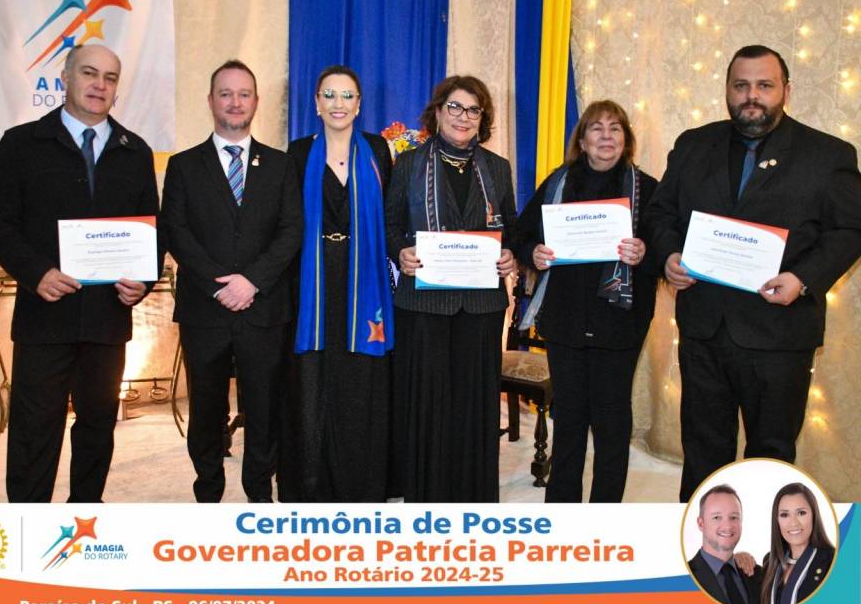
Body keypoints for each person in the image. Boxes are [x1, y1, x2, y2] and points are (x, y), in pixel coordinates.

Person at [643, 45, 861, 502]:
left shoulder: (829, 154)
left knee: (771, 455)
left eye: (764, 85)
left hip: (780, 332)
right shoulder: (692, 144)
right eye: (741, 86)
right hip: (704, 329)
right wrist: (668, 256)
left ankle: (765, 542)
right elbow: (660, 213)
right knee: (702, 450)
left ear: (786, 91)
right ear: (727, 89)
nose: (752, 96)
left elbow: (849, 230)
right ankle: (701, 540)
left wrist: (802, 279)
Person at [0, 44, 160, 502]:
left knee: (98, 426)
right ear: (65, 78)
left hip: (107, 319)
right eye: (89, 73)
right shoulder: (22, 143)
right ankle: (29, 522)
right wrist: (36, 272)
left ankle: (86, 515)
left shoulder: (135, 151)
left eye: (110, 78)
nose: (100, 85)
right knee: (34, 429)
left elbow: (151, 233)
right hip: (45, 317)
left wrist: (143, 283)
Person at [161, 60, 303, 503]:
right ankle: (208, 492)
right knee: (206, 409)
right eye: (226, 93)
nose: (235, 102)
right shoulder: (183, 166)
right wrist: (219, 285)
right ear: (211, 101)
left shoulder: (281, 165)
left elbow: (291, 231)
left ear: (256, 102)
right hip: (205, 310)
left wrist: (252, 282)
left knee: (264, 407)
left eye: (244, 94)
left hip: (264, 308)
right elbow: (176, 232)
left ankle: (259, 494)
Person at [384, 75, 518, 502]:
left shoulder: (498, 168)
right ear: (438, 112)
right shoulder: (408, 164)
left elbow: (512, 229)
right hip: (423, 303)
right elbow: (389, 225)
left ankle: (472, 496)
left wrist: (511, 254)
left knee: (474, 404)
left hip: (480, 306)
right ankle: (427, 495)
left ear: (483, 118)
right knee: (427, 403)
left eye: (473, 109)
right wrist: (400, 251)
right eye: (455, 107)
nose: (464, 116)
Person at [516, 100, 657, 503]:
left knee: (612, 423)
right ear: (581, 140)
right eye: (597, 128)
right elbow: (522, 235)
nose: (606, 136)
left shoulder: (648, 189)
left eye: (615, 128)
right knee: (569, 419)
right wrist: (534, 252)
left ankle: (604, 516)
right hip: (565, 321)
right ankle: (563, 513)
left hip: (621, 323)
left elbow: (668, 247)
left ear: (626, 139)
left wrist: (644, 251)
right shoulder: (558, 183)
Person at [280, 65, 394, 502]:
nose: (338, 104)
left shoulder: (378, 151)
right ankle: (311, 484)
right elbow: (286, 221)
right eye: (329, 95)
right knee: (313, 382)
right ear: (316, 103)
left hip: (365, 282)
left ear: (359, 104)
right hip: (311, 282)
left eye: (347, 96)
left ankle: (362, 484)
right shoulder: (296, 153)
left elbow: (392, 216)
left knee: (359, 381)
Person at [760, 482, 836, 604]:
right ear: (777, 520)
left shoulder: (833, 561)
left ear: (814, 515)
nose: (793, 523)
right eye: (785, 515)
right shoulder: (770, 562)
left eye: (801, 513)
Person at [688, 484, 762, 604]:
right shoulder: (682, 578)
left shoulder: (758, 575)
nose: (727, 526)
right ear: (701, 524)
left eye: (734, 517)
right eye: (717, 517)